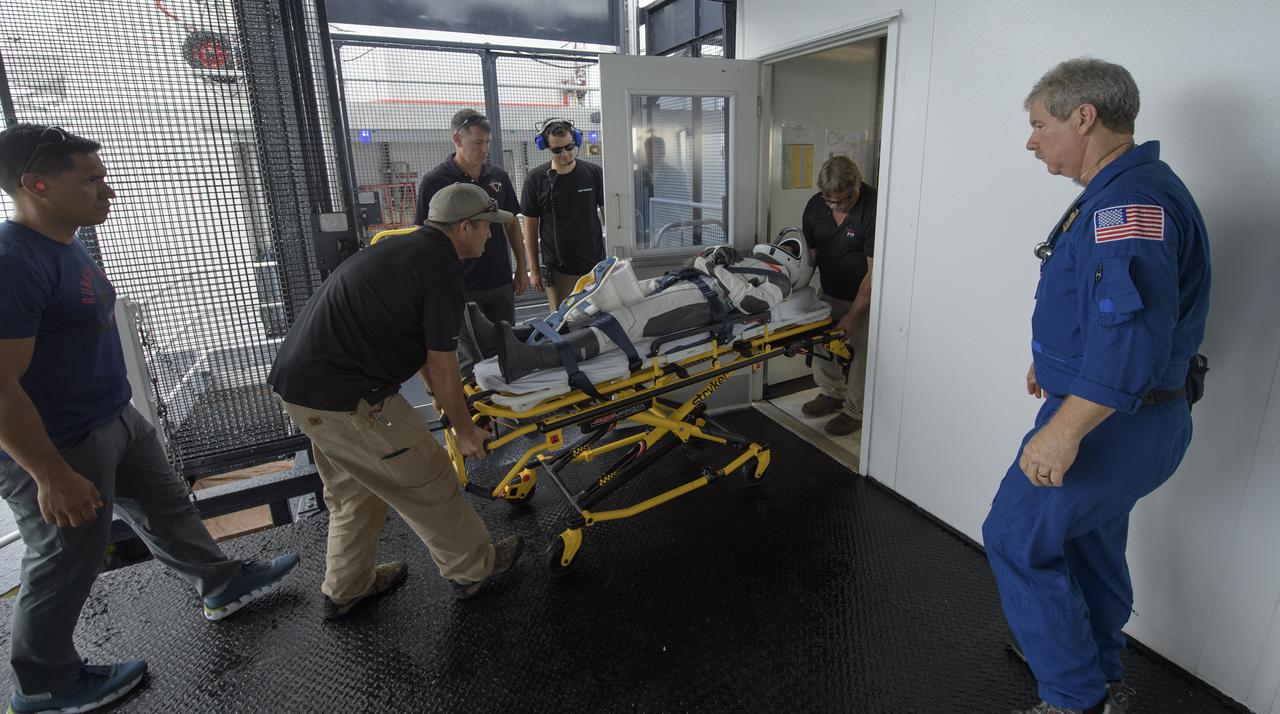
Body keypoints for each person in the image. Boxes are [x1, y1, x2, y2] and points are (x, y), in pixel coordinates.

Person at [0, 123, 300, 713]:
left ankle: (220, 583)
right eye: (91, 181)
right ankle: (43, 684)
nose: (106, 192)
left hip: (115, 417)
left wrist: (124, 415)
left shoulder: (68, 243)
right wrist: (51, 475)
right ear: (35, 185)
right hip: (60, 443)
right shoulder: (13, 264)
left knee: (166, 508)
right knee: (64, 561)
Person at [982, 59, 1211, 714]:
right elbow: (1110, 313)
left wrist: (1063, 429)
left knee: (1014, 536)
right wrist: (1054, 362)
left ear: (1084, 117)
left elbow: (1132, 337)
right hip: (1132, 412)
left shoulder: (1130, 204)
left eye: (1039, 124)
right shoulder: (1127, 191)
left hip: (1117, 421)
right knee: (1087, 538)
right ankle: (1096, 664)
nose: (1032, 141)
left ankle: (1074, 696)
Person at [269, 183, 524, 620]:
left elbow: (421, 347)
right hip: (352, 400)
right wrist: (464, 430)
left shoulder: (405, 251)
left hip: (302, 393)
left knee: (355, 492)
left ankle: (347, 587)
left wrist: (441, 401)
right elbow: (444, 364)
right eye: (487, 228)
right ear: (464, 227)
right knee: (428, 479)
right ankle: (473, 569)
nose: (490, 237)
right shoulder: (442, 271)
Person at [464, 237, 815, 384]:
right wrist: (717, 256)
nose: (779, 247)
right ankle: (506, 338)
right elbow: (707, 263)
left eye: (786, 246)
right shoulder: (749, 260)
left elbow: (752, 304)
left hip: (701, 303)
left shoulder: (779, 283)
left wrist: (714, 268)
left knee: (622, 322)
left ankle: (530, 359)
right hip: (684, 284)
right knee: (594, 304)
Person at [413, 109, 527, 324]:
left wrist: (521, 267)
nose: (485, 150)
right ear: (457, 139)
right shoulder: (434, 182)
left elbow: (511, 222)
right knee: (466, 350)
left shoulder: (498, 176)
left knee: (506, 346)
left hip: (499, 280)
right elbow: (424, 234)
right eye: (477, 143)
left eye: (487, 142)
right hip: (458, 284)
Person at [799, 156, 876, 437]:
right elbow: (811, 253)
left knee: (863, 349)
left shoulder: (874, 208)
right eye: (829, 200)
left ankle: (855, 410)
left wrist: (854, 315)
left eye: (842, 201)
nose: (834, 206)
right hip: (830, 289)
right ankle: (831, 393)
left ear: (856, 186)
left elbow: (874, 272)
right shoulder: (816, 205)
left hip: (865, 294)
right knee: (823, 340)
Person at [520, 118, 606, 311]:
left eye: (569, 147)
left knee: (599, 320)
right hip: (559, 270)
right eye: (557, 150)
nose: (565, 154)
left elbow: (611, 216)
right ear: (546, 147)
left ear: (576, 140)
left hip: (594, 265)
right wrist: (533, 270)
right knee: (562, 323)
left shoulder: (593, 173)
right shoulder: (536, 179)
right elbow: (530, 229)